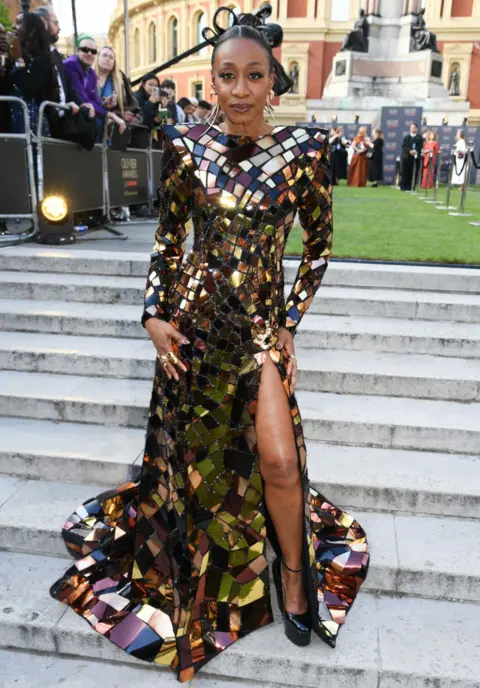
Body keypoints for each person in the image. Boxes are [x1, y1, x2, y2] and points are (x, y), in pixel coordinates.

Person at [50, 8, 369, 683]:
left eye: (254, 75)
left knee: (279, 463)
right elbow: (169, 240)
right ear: (214, 82)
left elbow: (318, 248)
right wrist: (151, 314)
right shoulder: (185, 145)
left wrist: (288, 322)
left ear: (273, 81)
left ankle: (292, 574)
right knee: (199, 469)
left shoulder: (307, 150)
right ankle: (204, 576)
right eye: (227, 76)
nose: (240, 90)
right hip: (192, 331)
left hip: (258, 331)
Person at [64, 35, 125, 137]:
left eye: (93, 51)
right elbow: (81, 98)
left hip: (91, 124)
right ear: (77, 51)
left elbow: (94, 100)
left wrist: (104, 103)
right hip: (70, 122)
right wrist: (109, 115)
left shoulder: (91, 74)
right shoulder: (71, 65)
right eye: (85, 50)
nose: (89, 53)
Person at [8, 12, 58, 136]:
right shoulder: (15, 56)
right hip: (13, 122)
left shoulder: (43, 60)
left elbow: (27, 88)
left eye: (19, 23)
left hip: (33, 127)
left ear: (32, 30)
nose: (14, 26)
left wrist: (18, 59)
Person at [95, 45, 142, 130]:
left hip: (113, 128)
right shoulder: (88, 76)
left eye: (111, 57)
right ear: (97, 58)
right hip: (93, 125)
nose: (108, 59)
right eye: (104, 55)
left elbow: (133, 103)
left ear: (114, 62)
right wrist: (104, 103)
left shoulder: (120, 79)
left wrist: (123, 113)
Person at [131, 74, 169, 148]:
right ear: (143, 84)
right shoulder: (136, 97)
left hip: (150, 141)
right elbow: (140, 118)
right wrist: (150, 103)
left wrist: (163, 108)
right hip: (135, 140)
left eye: (156, 86)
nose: (153, 88)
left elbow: (158, 121)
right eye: (150, 84)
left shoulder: (156, 100)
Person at [400, 123, 423, 191]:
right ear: (410, 129)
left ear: (417, 129)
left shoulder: (419, 137)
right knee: (405, 172)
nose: (413, 129)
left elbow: (421, 146)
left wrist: (415, 151)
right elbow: (404, 146)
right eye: (412, 128)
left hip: (415, 158)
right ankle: (403, 186)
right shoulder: (406, 137)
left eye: (414, 128)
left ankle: (411, 187)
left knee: (414, 172)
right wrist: (410, 151)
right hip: (406, 157)